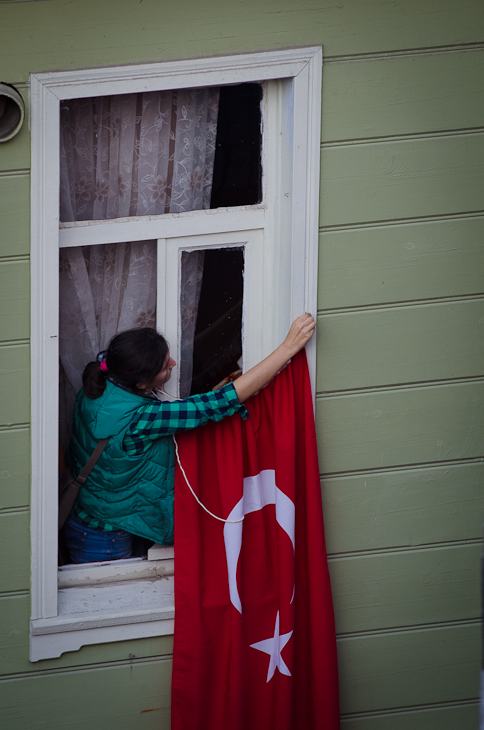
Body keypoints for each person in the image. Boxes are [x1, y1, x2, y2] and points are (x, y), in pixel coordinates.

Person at [62, 314, 316, 563]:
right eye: (164, 366)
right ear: (141, 383)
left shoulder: (101, 380)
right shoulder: (142, 420)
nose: (173, 363)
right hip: (105, 537)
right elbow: (217, 403)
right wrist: (287, 348)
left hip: (89, 514)